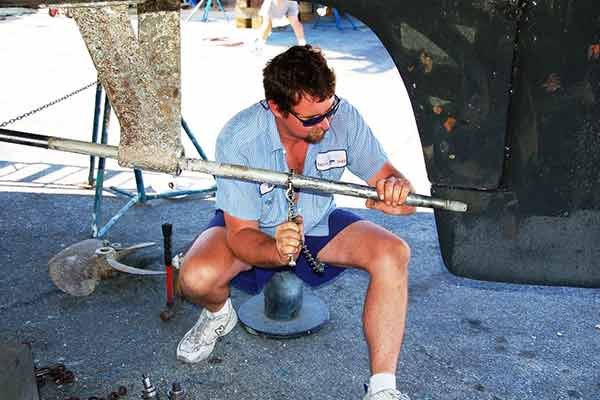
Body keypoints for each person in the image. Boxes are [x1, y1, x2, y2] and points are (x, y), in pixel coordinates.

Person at [177, 45, 415, 400]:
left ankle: (383, 388)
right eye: (311, 119)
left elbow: (387, 176)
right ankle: (217, 315)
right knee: (195, 278)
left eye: (328, 109)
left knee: (393, 253)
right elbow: (241, 234)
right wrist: (275, 249)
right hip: (254, 228)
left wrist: (398, 193)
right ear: (276, 107)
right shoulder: (239, 138)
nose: (326, 124)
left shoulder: (342, 116)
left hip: (317, 222)